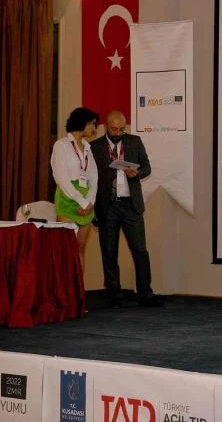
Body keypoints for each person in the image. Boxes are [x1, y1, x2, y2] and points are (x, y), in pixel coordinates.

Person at [90, 110, 162, 308]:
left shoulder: (134, 141)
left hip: (131, 205)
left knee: (140, 250)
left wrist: (136, 173)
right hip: (107, 205)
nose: (118, 133)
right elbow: (91, 179)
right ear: (106, 126)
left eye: (122, 129)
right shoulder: (94, 147)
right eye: (115, 129)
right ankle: (114, 294)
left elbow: (147, 167)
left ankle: (146, 293)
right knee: (109, 251)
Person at [51, 107, 99, 274]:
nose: (94, 128)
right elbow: (62, 179)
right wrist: (82, 202)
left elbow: (94, 179)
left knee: (80, 249)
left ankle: (78, 288)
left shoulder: (87, 148)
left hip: (86, 203)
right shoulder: (61, 145)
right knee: (66, 250)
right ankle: (64, 288)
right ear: (81, 122)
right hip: (67, 199)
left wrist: (89, 202)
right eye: (92, 124)